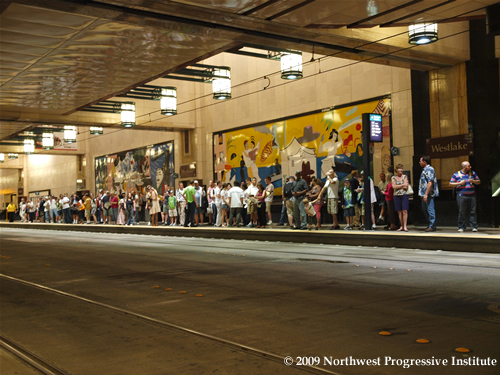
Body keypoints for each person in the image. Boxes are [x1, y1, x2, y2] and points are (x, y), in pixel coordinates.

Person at [449, 161, 480, 232]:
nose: (470, 167)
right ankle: (461, 227)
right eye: (469, 166)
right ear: (464, 167)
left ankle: (474, 226)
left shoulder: (473, 173)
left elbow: (479, 181)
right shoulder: (456, 174)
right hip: (461, 196)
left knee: (473, 211)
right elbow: (450, 184)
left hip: (472, 195)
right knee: (462, 212)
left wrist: (473, 181)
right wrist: (459, 183)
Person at [418, 156, 439, 232]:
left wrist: (426, 194)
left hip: (429, 193)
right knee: (424, 209)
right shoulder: (424, 170)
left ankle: (432, 225)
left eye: (420, 161)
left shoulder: (429, 169)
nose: (419, 162)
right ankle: (430, 224)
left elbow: (430, 182)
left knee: (430, 209)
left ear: (424, 162)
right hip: (424, 194)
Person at [391, 164, 409, 232]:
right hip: (396, 195)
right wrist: (402, 185)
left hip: (404, 195)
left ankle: (405, 226)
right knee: (399, 212)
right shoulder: (393, 177)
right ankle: (401, 226)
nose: (401, 170)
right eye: (399, 168)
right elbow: (394, 187)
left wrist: (398, 185)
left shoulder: (405, 177)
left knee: (405, 210)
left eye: (402, 168)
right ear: (396, 170)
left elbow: (406, 186)